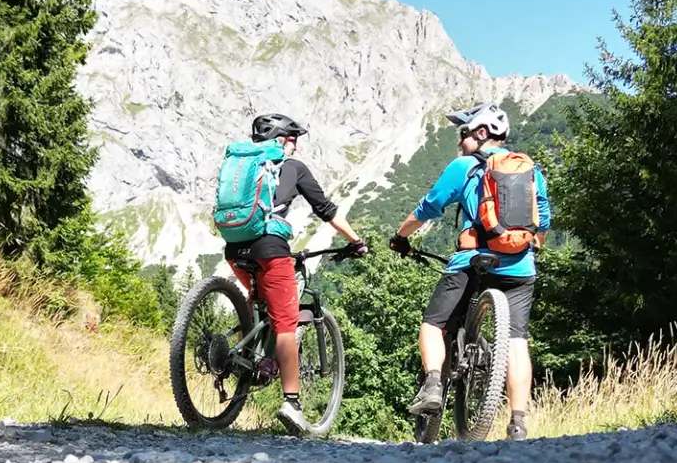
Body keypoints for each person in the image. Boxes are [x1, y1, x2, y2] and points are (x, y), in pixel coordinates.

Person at [388, 102, 551, 440]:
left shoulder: (465, 166)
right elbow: (543, 221)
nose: (460, 141)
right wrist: (529, 249)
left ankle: (433, 384)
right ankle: (518, 422)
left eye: (464, 134)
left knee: (433, 325)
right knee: (517, 340)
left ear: (481, 133)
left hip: (472, 261)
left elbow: (429, 206)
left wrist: (401, 237)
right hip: (520, 267)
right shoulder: (531, 171)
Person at [224, 112, 368, 434]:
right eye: (293, 140)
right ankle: (292, 403)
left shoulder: (243, 166)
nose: (295, 147)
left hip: (234, 249)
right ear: (280, 140)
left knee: (259, 298)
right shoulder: (292, 167)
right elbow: (326, 210)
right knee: (286, 323)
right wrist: (356, 241)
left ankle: (249, 357)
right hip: (270, 250)